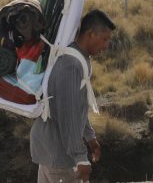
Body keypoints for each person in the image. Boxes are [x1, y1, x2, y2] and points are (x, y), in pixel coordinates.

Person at [30, 9, 116, 183]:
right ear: (91, 34)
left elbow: (78, 106)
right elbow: (68, 115)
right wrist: (80, 158)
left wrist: (90, 137)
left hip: (53, 151)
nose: (107, 45)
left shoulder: (79, 58)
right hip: (60, 158)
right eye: (105, 39)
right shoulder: (71, 65)